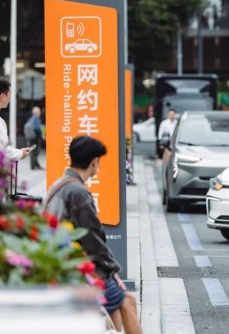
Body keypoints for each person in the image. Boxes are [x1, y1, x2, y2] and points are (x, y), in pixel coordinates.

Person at [43, 136, 142, 334]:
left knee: (116, 302)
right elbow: (93, 239)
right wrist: (112, 272)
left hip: (57, 260)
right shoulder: (78, 192)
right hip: (73, 268)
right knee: (127, 300)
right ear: (94, 162)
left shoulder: (60, 183)